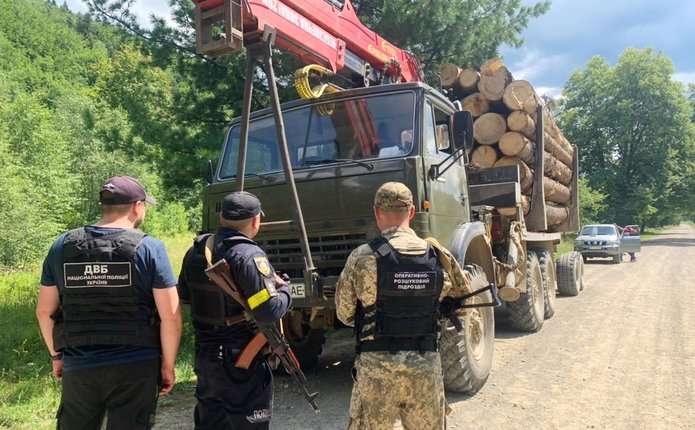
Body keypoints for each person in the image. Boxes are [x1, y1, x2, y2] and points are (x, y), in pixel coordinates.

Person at [35, 175, 182, 430]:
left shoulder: (61, 246)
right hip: (137, 365)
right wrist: (167, 365)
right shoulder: (150, 248)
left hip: (79, 366)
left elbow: (44, 311)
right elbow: (170, 316)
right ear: (137, 206)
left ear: (104, 206)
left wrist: (57, 356)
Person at [335, 182, 472, 430]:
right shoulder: (438, 255)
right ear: (412, 212)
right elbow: (464, 304)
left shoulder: (361, 256)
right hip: (425, 366)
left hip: (375, 370)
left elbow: (345, 314)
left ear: (377, 212)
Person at [177, 191, 292, 429]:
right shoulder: (248, 254)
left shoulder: (196, 251)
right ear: (255, 221)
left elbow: (185, 297)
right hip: (241, 361)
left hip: (206, 358)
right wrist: (286, 292)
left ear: (222, 218)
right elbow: (268, 311)